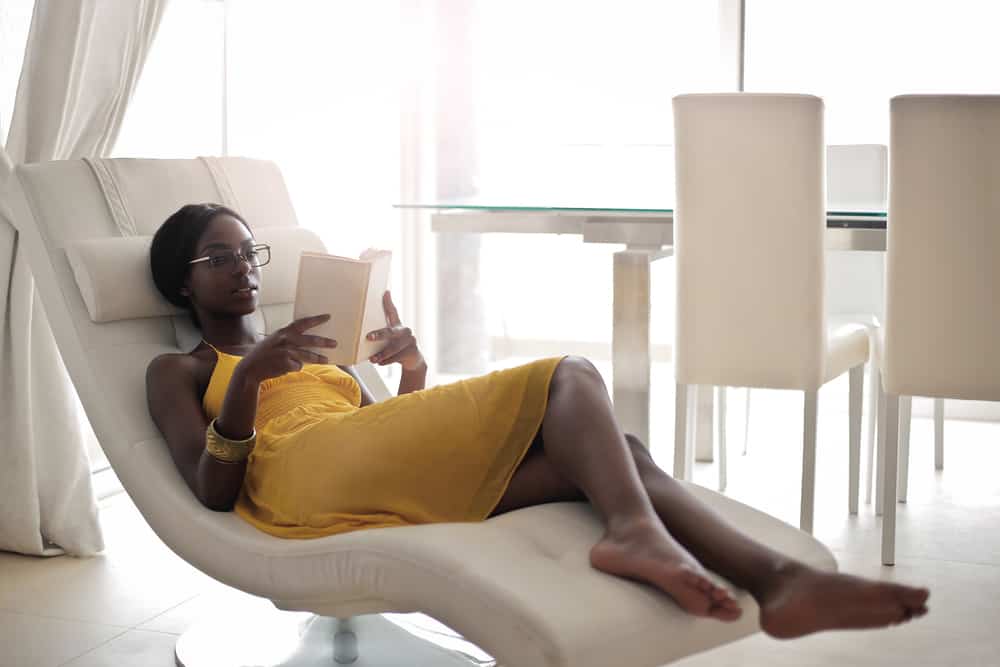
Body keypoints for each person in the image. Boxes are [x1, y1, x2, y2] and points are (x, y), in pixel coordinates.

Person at [146, 202, 929, 639]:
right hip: (292, 485)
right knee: (570, 375)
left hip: (352, 470)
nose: (245, 266)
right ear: (183, 284)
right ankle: (634, 534)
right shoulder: (180, 370)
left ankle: (777, 579)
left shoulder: (311, 350)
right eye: (221, 257)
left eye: (250, 251)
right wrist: (247, 377)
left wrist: (411, 371)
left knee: (615, 449)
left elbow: (395, 441)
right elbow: (213, 492)